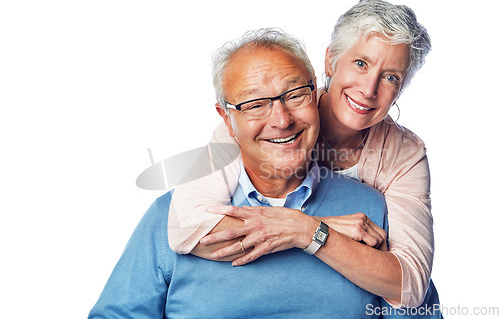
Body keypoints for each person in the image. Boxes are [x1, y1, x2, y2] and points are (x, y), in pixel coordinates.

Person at [89, 28, 441, 318]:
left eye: (294, 95)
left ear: (315, 91)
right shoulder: (173, 214)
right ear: (227, 119)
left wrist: (308, 231)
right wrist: (307, 228)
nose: (282, 120)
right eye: (255, 104)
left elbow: (412, 298)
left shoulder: (373, 211)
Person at [168, 0, 433, 308]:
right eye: (361, 63)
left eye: (391, 77)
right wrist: (313, 227)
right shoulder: (260, 122)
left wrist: (307, 230)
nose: (369, 89)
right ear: (330, 61)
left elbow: (410, 285)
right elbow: (185, 228)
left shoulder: (404, 154)